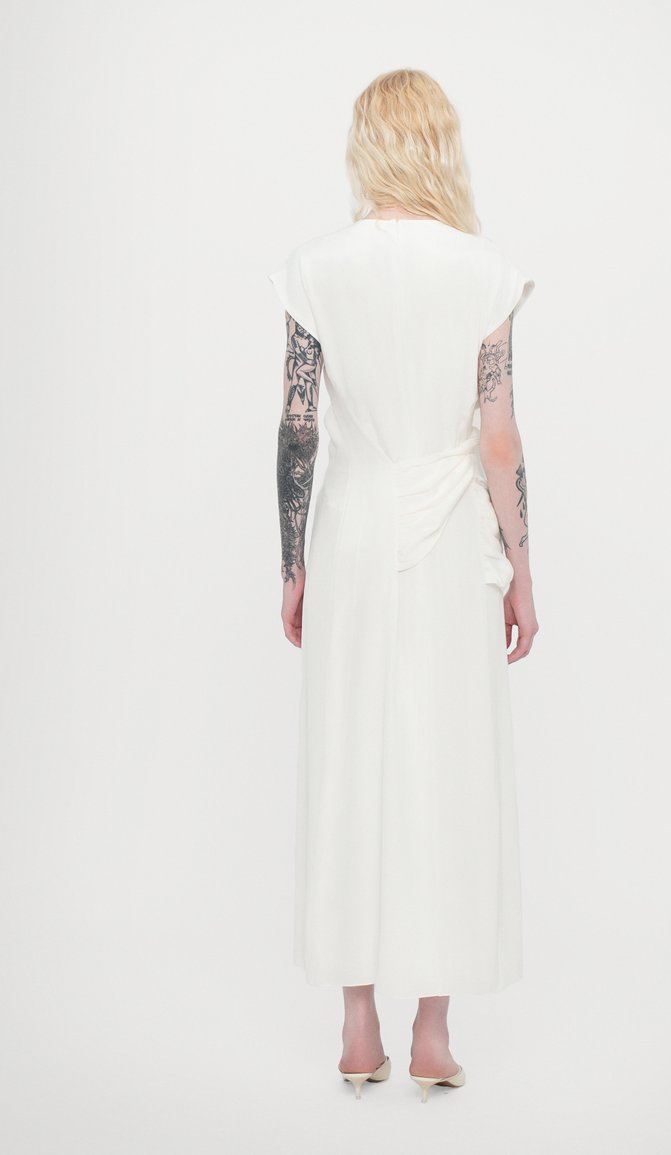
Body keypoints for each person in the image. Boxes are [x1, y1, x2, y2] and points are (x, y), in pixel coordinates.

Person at [268, 68, 539, 1102]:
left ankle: (354, 1025)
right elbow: (498, 438)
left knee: (350, 754)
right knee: (447, 762)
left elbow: (299, 427)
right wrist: (521, 570)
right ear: (441, 144)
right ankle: (431, 1033)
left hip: (348, 526)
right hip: (450, 533)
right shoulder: (483, 271)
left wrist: (292, 561)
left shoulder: (315, 269)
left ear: (365, 146)